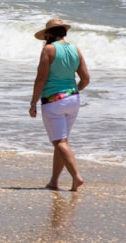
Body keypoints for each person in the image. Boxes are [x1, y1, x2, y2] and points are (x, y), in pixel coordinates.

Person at [29, 18, 90, 191]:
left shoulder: (48, 49)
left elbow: (41, 79)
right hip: (73, 99)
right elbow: (86, 79)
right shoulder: (75, 49)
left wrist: (33, 102)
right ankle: (54, 181)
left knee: (60, 142)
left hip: (53, 100)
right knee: (62, 141)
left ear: (48, 34)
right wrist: (73, 91)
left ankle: (76, 176)